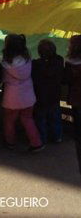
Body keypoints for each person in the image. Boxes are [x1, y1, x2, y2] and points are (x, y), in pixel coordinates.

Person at [1, 34, 44, 152]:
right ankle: (36, 143)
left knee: (9, 120)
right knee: (27, 119)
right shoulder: (27, 59)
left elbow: (3, 78)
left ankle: (10, 142)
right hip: (28, 95)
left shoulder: (6, 63)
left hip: (12, 97)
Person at [32, 40, 64, 145]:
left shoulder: (36, 64)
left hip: (40, 96)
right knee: (55, 118)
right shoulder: (59, 60)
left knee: (40, 120)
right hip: (54, 95)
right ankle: (57, 136)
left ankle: (42, 138)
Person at [64, 34, 81, 174]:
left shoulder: (70, 62)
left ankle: (77, 134)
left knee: (77, 115)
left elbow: (67, 79)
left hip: (76, 95)